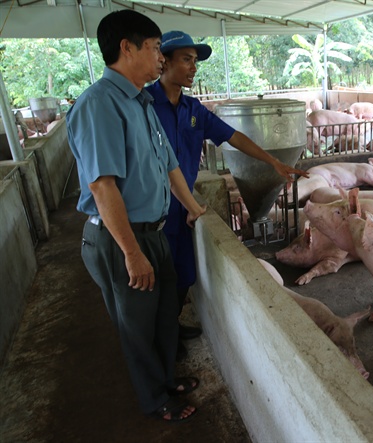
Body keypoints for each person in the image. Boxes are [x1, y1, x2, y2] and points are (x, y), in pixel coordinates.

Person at [67, 10, 203, 422]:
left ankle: (166, 378)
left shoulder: (142, 102)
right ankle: (155, 398)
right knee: (138, 325)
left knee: (163, 315)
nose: (161, 57)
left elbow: (169, 166)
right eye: (154, 47)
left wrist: (195, 209)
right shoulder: (98, 105)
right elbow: (101, 186)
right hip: (120, 237)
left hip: (154, 231)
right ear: (126, 48)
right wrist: (130, 252)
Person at [145, 30, 308, 360]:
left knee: (183, 274)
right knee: (157, 279)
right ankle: (161, 341)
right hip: (156, 207)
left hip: (184, 206)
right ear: (164, 61)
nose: (193, 68)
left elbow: (233, 136)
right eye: (186, 60)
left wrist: (273, 161)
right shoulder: (145, 106)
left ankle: (171, 327)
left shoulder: (194, 109)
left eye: (195, 61)